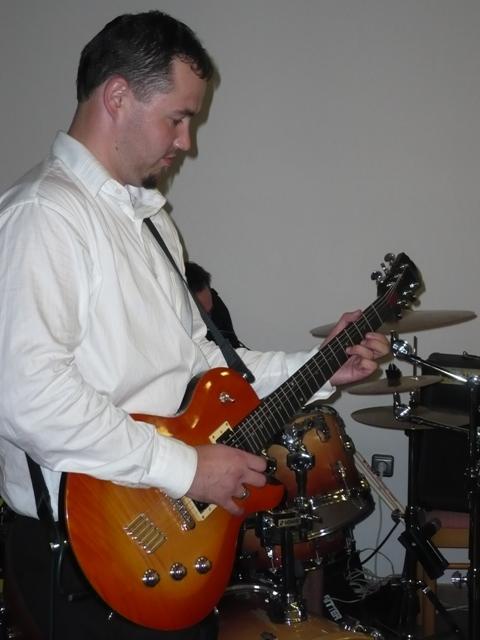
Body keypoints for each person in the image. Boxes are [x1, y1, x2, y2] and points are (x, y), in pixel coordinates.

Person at [0, 10, 389, 640]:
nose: (186, 142)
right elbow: (29, 398)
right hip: (88, 556)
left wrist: (323, 365)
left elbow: (207, 366)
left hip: (170, 541)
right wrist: (188, 470)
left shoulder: (151, 223)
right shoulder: (43, 216)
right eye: (177, 118)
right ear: (118, 97)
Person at [185, 261, 246, 348]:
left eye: (209, 312)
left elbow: (233, 345)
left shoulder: (217, 305)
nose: (208, 318)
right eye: (202, 314)